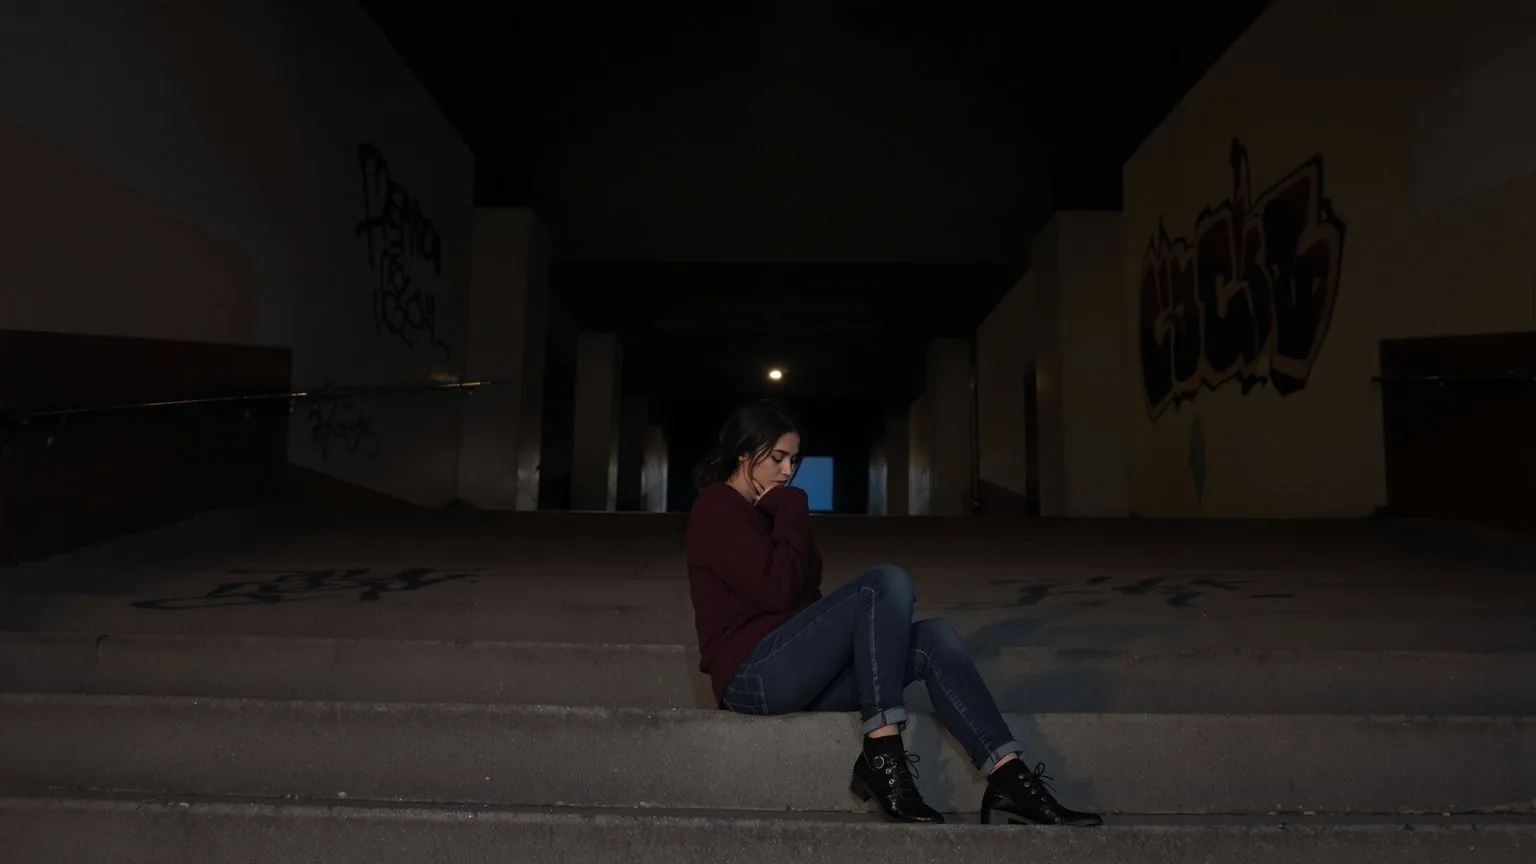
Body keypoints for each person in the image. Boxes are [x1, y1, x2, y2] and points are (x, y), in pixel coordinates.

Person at [684, 398, 1102, 826]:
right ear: (743, 452)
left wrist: (785, 518)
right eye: (777, 458)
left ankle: (1009, 778)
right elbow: (778, 593)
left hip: (796, 673)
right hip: (753, 678)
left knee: (933, 637)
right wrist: (792, 510)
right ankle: (883, 755)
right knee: (885, 581)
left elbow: (804, 596)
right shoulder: (717, 507)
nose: (788, 472)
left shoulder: (770, 512)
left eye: (793, 460)